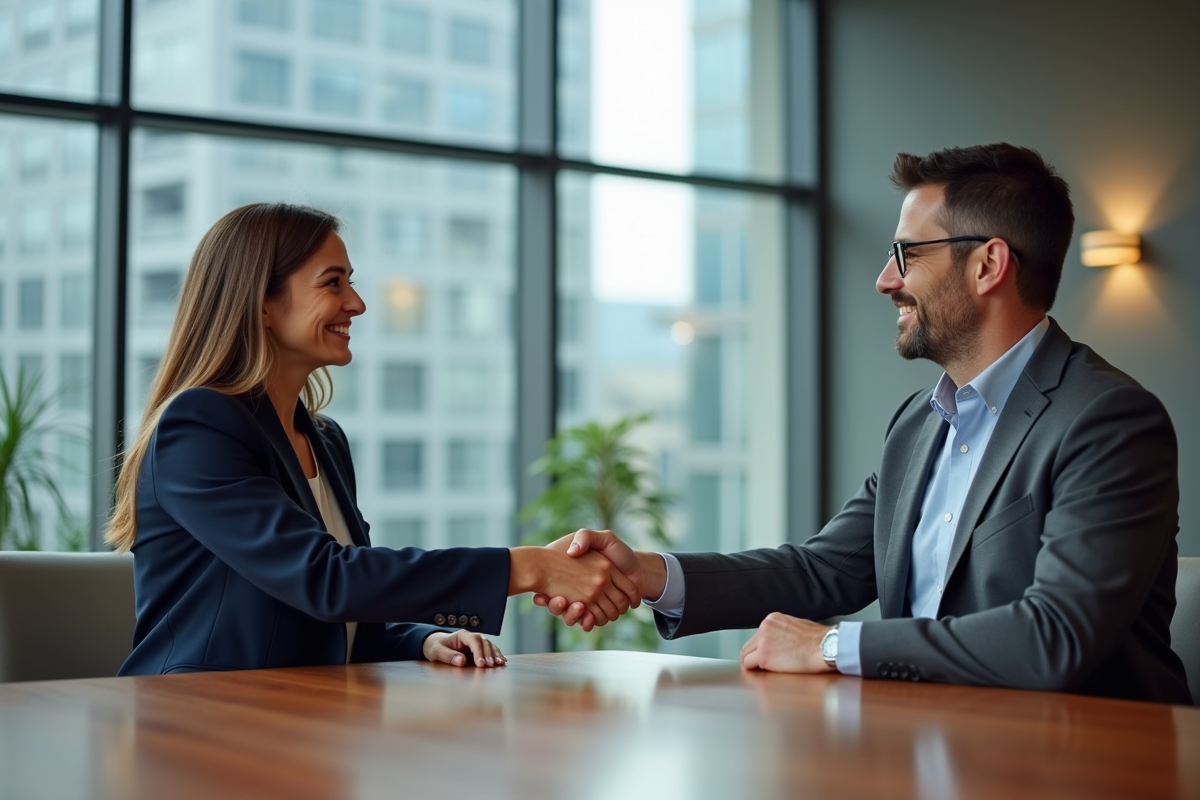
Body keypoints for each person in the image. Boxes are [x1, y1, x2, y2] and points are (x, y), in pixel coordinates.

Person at [539, 143, 1192, 704]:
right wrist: (650, 574)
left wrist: (830, 645)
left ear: (989, 264)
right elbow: (823, 570)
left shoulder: (1108, 420)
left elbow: (1056, 636)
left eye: (907, 255)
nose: (885, 281)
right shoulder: (919, 422)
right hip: (922, 745)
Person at [108, 203, 639, 676]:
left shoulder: (324, 440)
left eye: (351, 282)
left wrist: (423, 637)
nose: (357, 304)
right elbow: (323, 579)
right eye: (332, 283)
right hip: (197, 721)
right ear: (263, 304)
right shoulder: (200, 424)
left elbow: (337, 608)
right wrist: (531, 567)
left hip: (303, 721)